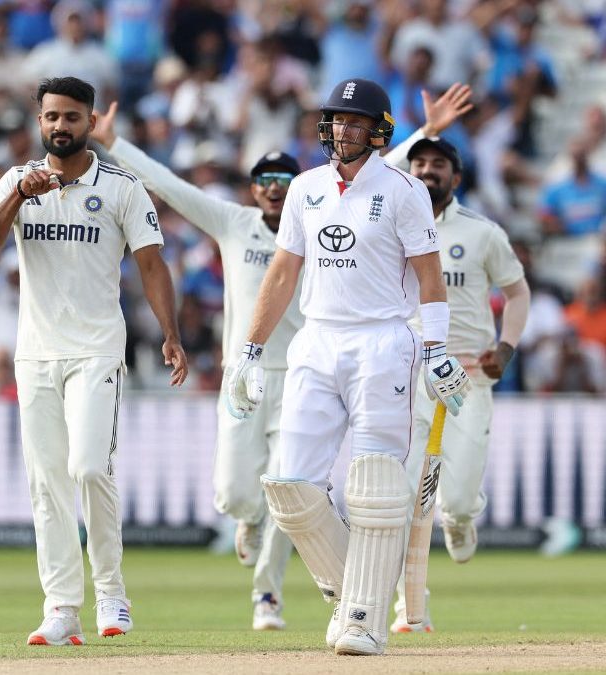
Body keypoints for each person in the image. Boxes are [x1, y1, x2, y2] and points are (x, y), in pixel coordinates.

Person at [226, 78, 471, 656]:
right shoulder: (305, 188)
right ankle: (356, 596)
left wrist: (436, 350)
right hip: (315, 340)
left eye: (358, 122)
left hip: (382, 341)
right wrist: (251, 349)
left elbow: (430, 277)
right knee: (290, 488)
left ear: (380, 131)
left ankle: (363, 620)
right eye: (338, 119)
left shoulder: (405, 191)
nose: (345, 130)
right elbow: (282, 273)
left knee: (375, 487)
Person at [0, 76, 188, 646]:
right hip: (35, 353)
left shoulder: (121, 187)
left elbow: (151, 264)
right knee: (47, 483)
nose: (60, 126)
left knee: (89, 468)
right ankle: (62, 609)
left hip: (96, 350)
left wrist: (170, 334)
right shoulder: (16, 180)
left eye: (71, 117)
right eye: (51, 116)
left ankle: (111, 593)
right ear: (38, 121)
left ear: (91, 122)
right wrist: (18, 197)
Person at [91, 102, 304, 631]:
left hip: (301, 376)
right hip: (243, 375)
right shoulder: (234, 223)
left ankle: (268, 596)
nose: (274, 189)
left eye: (283, 180)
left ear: (298, 188)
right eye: (265, 181)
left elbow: (371, 179)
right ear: (253, 189)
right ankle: (247, 517)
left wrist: (424, 132)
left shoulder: (319, 223)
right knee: (234, 492)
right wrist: (115, 144)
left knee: (289, 485)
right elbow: (171, 187)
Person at [382, 92, 530, 632]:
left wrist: (506, 348)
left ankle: (463, 518)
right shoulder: (392, 222)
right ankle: (410, 608)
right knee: (403, 497)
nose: (426, 171)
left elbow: (518, 293)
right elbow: (373, 175)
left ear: (456, 177)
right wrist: (423, 131)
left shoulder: (482, 232)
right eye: (419, 163)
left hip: (468, 378)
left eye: (437, 165)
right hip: (410, 374)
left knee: (457, 501)